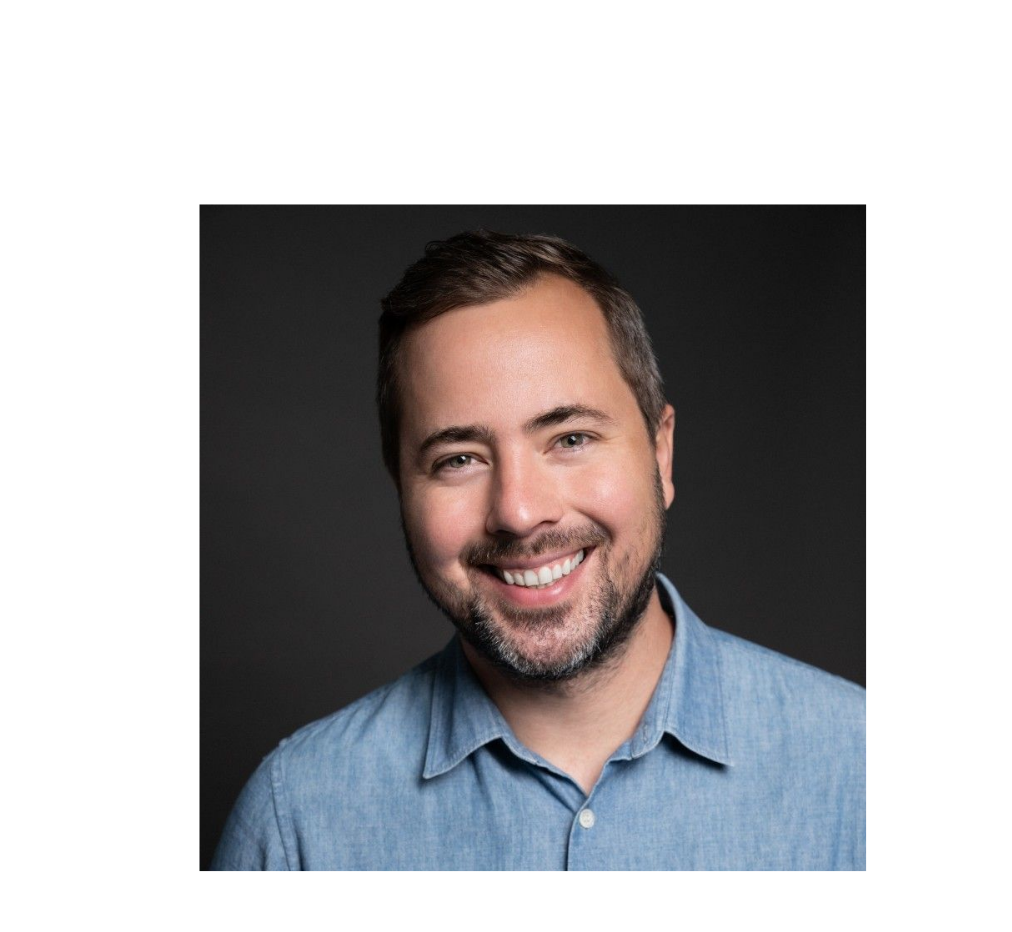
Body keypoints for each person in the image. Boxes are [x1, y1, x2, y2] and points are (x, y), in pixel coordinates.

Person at [210, 229, 866, 874]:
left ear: (660, 454)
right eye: (459, 459)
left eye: (571, 438)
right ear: (401, 487)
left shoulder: (893, 772)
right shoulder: (294, 821)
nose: (519, 513)